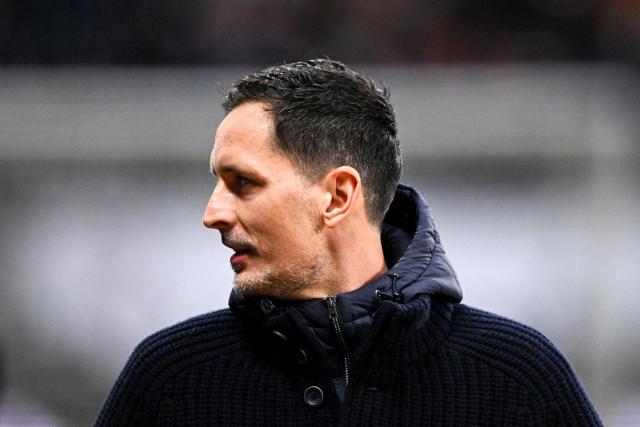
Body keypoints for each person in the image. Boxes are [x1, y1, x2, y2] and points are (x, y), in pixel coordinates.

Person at [96, 59, 601, 426]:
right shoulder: (168, 378)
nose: (213, 214)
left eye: (243, 183)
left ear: (338, 196)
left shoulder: (517, 378)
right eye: (216, 183)